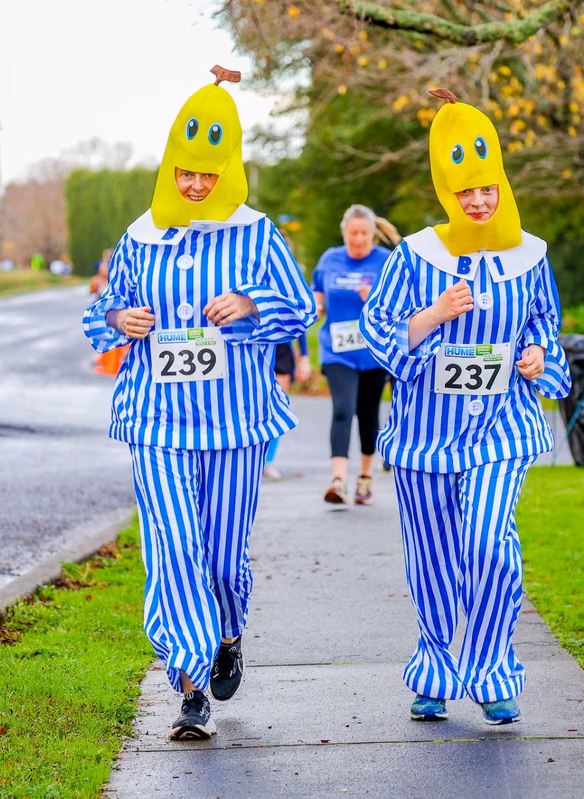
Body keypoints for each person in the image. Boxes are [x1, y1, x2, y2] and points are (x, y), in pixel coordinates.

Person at [82, 66, 316, 741]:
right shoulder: (139, 238)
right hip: (156, 420)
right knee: (171, 545)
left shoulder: (258, 235)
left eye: (208, 175)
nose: (195, 185)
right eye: (185, 172)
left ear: (228, 172)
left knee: (218, 556)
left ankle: (228, 632)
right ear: (169, 168)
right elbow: (100, 316)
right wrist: (120, 317)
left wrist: (249, 306)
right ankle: (189, 686)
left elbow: (300, 307)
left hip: (236, 423)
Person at [360, 89, 572, 726]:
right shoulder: (415, 256)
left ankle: (491, 665)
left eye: (487, 189)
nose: (478, 202)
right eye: (464, 193)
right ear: (445, 193)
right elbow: (378, 332)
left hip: (500, 430)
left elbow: (545, 327)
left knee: (488, 543)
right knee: (432, 560)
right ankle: (434, 667)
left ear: (501, 186)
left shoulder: (530, 256)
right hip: (426, 435)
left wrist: (536, 354)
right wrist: (435, 314)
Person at [311, 205, 397, 505]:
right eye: (353, 234)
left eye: (363, 234)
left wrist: (375, 296)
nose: (358, 239)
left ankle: (365, 478)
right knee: (343, 409)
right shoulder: (330, 259)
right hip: (338, 351)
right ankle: (338, 480)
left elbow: (400, 304)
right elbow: (318, 292)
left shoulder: (386, 261)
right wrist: (316, 307)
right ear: (344, 232)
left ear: (372, 234)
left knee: (368, 414)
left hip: (374, 351)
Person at [263, 333, 311, 479]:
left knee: (276, 407)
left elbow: (295, 314)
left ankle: (267, 461)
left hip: (279, 346)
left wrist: (304, 356)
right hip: (249, 343)